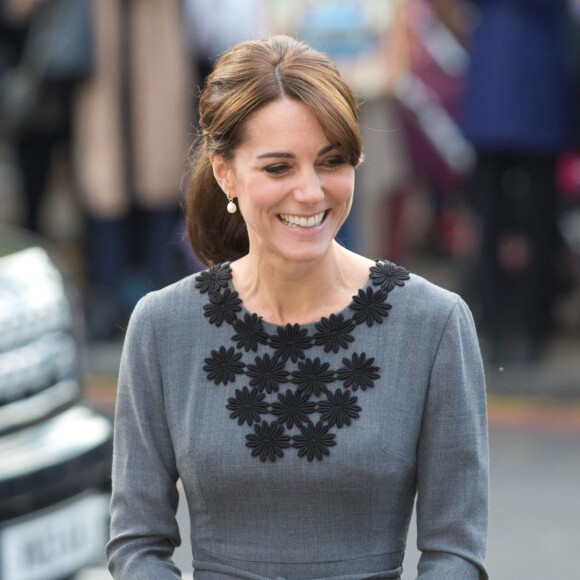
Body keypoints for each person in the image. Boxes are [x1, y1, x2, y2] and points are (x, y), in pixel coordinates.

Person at [107, 35, 489, 579]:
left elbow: (456, 552)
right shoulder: (163, 327)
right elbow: (137, 545)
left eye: (330, 161)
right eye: (278, 168)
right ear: (225, 174)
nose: (310, 193)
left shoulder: (433, 324)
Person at [460, 0, 575, 362]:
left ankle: (501, 324)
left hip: (500, 81)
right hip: (535, 83)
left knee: (501, 218)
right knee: (534, 218)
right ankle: (525, 327)